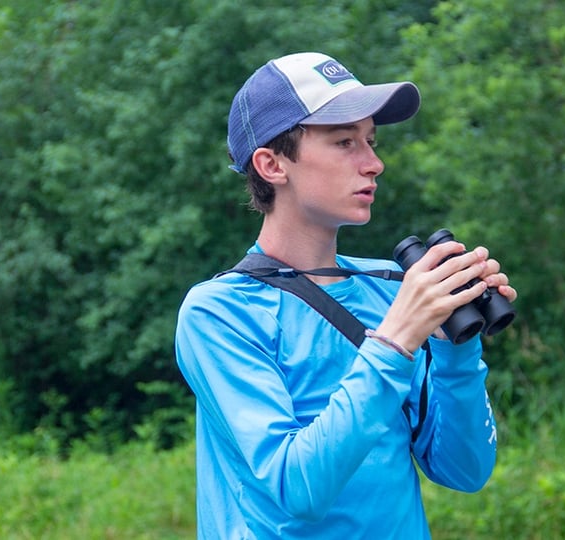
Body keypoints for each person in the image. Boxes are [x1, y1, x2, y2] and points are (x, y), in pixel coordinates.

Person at [174, 51, 517, 539]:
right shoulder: (220, 313)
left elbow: (465, 471)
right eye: (344, 142)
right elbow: (297, 487)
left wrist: (455, 349)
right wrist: (395, 341)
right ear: (272, 164)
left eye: (371, 141)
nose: (374, 163)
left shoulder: (388, 289)